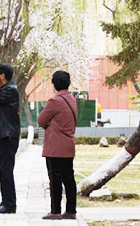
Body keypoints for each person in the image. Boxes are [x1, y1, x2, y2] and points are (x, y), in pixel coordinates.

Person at [38, 70, 78, 220]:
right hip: (68, 145)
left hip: (55, 147)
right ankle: (71, 210)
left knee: (55, 178)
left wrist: (50, 124)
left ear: (54, 84)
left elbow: (41, 120)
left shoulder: (55, 101)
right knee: (69, 178)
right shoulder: (72, 99)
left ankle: (55, 210)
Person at [0, 63, 20, 214]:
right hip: (5, 135)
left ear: (2, 76)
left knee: (6, 170)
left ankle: (9, 205)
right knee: (4, 170)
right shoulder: (7, 88)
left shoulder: (10, 89)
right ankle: (6, 203)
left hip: (8, 136)